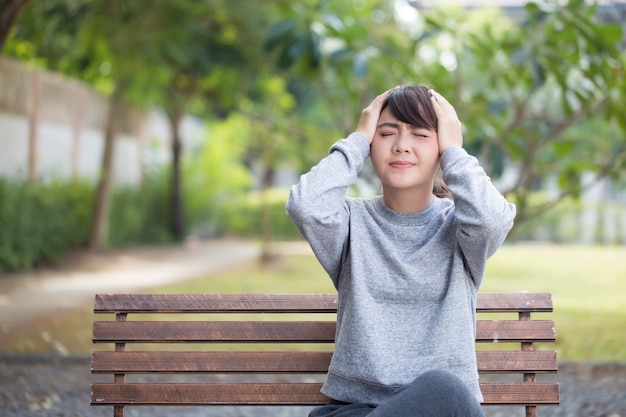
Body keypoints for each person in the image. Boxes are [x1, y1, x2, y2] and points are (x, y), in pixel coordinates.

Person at [285, 84, 516, 417]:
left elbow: (492, 220)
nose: (401, 146)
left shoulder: (461, 230)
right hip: (354, 411)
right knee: (447, 390)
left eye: (421, 135)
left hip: (441, 410)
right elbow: (306, 206)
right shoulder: (351, 223)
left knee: (446, 390)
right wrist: (357, 139)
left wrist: (455, 151)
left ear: (442, 147)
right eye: (386, 133)